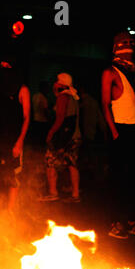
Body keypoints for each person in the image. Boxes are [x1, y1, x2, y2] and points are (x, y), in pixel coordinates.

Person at [101, 31, 135, 239]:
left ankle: (132, 220)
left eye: (132, 42)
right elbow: (105, 103)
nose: (129, 46)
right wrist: (113, 130)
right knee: (118, 179)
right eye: (125, 43)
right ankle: (117, 222)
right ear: (116, 47)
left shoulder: (134, 71)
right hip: (120, 129)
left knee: (133, 178)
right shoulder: (110, 72)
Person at [0, 56, 31, 212]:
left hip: (14, 139)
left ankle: (10, 212)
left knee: (12, 178)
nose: (4, 69)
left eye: (7, 66)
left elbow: (27, 117)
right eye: (2, 66)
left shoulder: (22, 89)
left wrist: (20, 142)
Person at [39, 73, 82, 203]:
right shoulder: (72, 97)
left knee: (50, 161)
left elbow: (60, 118)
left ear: (62, 84)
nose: (54, 84)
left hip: (63, 137)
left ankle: (53, 192)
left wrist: (51, 133)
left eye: (57, 82)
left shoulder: (63, 97)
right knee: (72, 164)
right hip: (75, 135)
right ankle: (75, 194)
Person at [31, 81, 51, 146]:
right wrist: (50, 120)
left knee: (36, 140)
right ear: (44, 88)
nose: (48, 90)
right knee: (42, 141)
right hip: (42, 122)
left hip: (35, 121)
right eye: (47, 88)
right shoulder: (43, 98)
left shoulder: (34, 96)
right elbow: (45, 111)